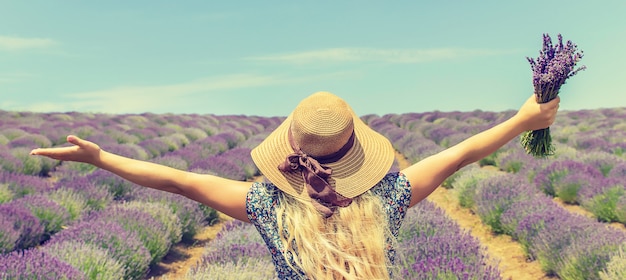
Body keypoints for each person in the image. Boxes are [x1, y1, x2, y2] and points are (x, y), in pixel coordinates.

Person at [30, 91, 559, 279]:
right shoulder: (388, 201)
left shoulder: (268, 207)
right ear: (358, 154)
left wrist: (101, 159)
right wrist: (523, 120)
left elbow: (181, 181)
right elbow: (460, 153)